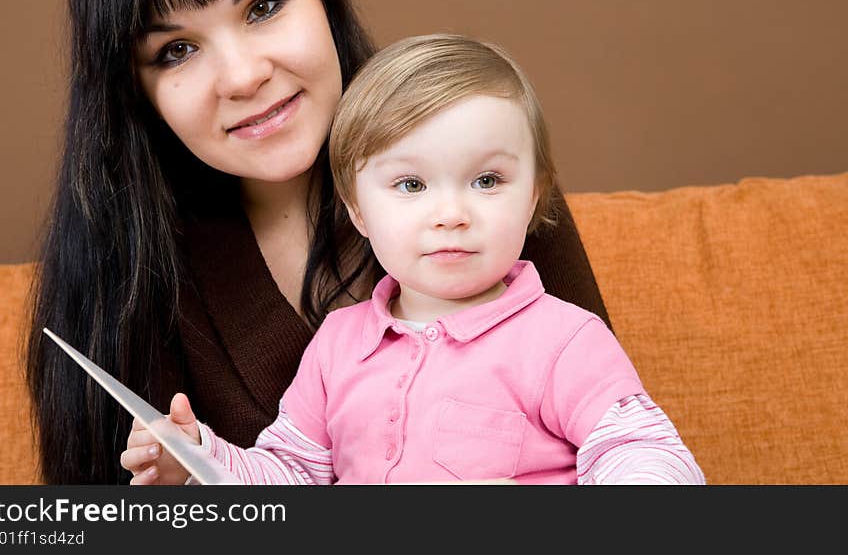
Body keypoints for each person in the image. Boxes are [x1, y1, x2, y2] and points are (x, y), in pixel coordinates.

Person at [25, 0, 614, 485]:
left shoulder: (477, 171)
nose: (243, 76)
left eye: (263, 6)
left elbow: (616, 436)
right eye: (176, 50)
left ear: (325, 0)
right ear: (135, 93)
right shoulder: (126, 276)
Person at [121, 34, 704, 484]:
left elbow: (641, 451)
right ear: (358, 210)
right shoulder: (337, 346)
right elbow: (291, 476)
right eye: (410, 186)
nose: (450, 213)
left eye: (486, 179)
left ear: (533, 197)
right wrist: (198, 458)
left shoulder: (563, 338)